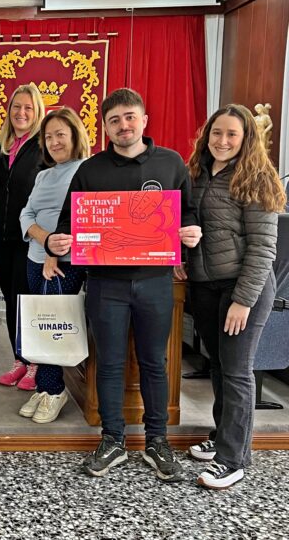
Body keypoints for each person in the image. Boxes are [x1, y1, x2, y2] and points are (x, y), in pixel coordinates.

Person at [46, 88, 202, 482]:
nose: (123, 126)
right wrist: (58, 240)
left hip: (155, 282)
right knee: (110, 364)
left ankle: (157, 441)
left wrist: (190, 237)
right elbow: (69, 223)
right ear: (105, 127)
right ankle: (112, 439)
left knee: (155, 363)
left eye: (130, 117)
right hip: (105, 284)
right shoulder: (91, 170)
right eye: (114, 120)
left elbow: (190, 214)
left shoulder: (171, 164)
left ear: (144, 120)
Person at [180, 104, 285, 490]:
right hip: (205, 286)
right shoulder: (197, 174)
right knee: (220, 366)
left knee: (238, 371)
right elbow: (189, 224)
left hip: (244, 289)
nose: (222, 141)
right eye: (217, 133)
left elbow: (263, 249)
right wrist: (181, 257)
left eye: (232, 134)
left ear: (246, 140)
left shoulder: (258, 179)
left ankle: (232, 458)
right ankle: (224, 434)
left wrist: (243, 300)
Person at [18, 107, 90, 422]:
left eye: (60, 134)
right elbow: (26, 214)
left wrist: (54, 247)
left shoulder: (88, 170)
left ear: (75, 135)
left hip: (63, 263)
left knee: (52, 326)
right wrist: (44, 240)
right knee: (40, 324)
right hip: (35, 257)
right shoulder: (44, 174)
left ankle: (54, 389)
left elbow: (82, 215)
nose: (54, 142)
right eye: (48, 137)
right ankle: (45, 388)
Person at [0, 84, 48, 391]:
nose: (21, 113)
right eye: (16, 107)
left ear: (37, 111)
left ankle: (36, 364)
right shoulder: (0, 147)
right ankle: (19, 360)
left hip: (30, 240)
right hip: (1, 238)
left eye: (28, 107)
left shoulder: (43, 147)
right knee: (12, 301)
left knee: (29, 301)